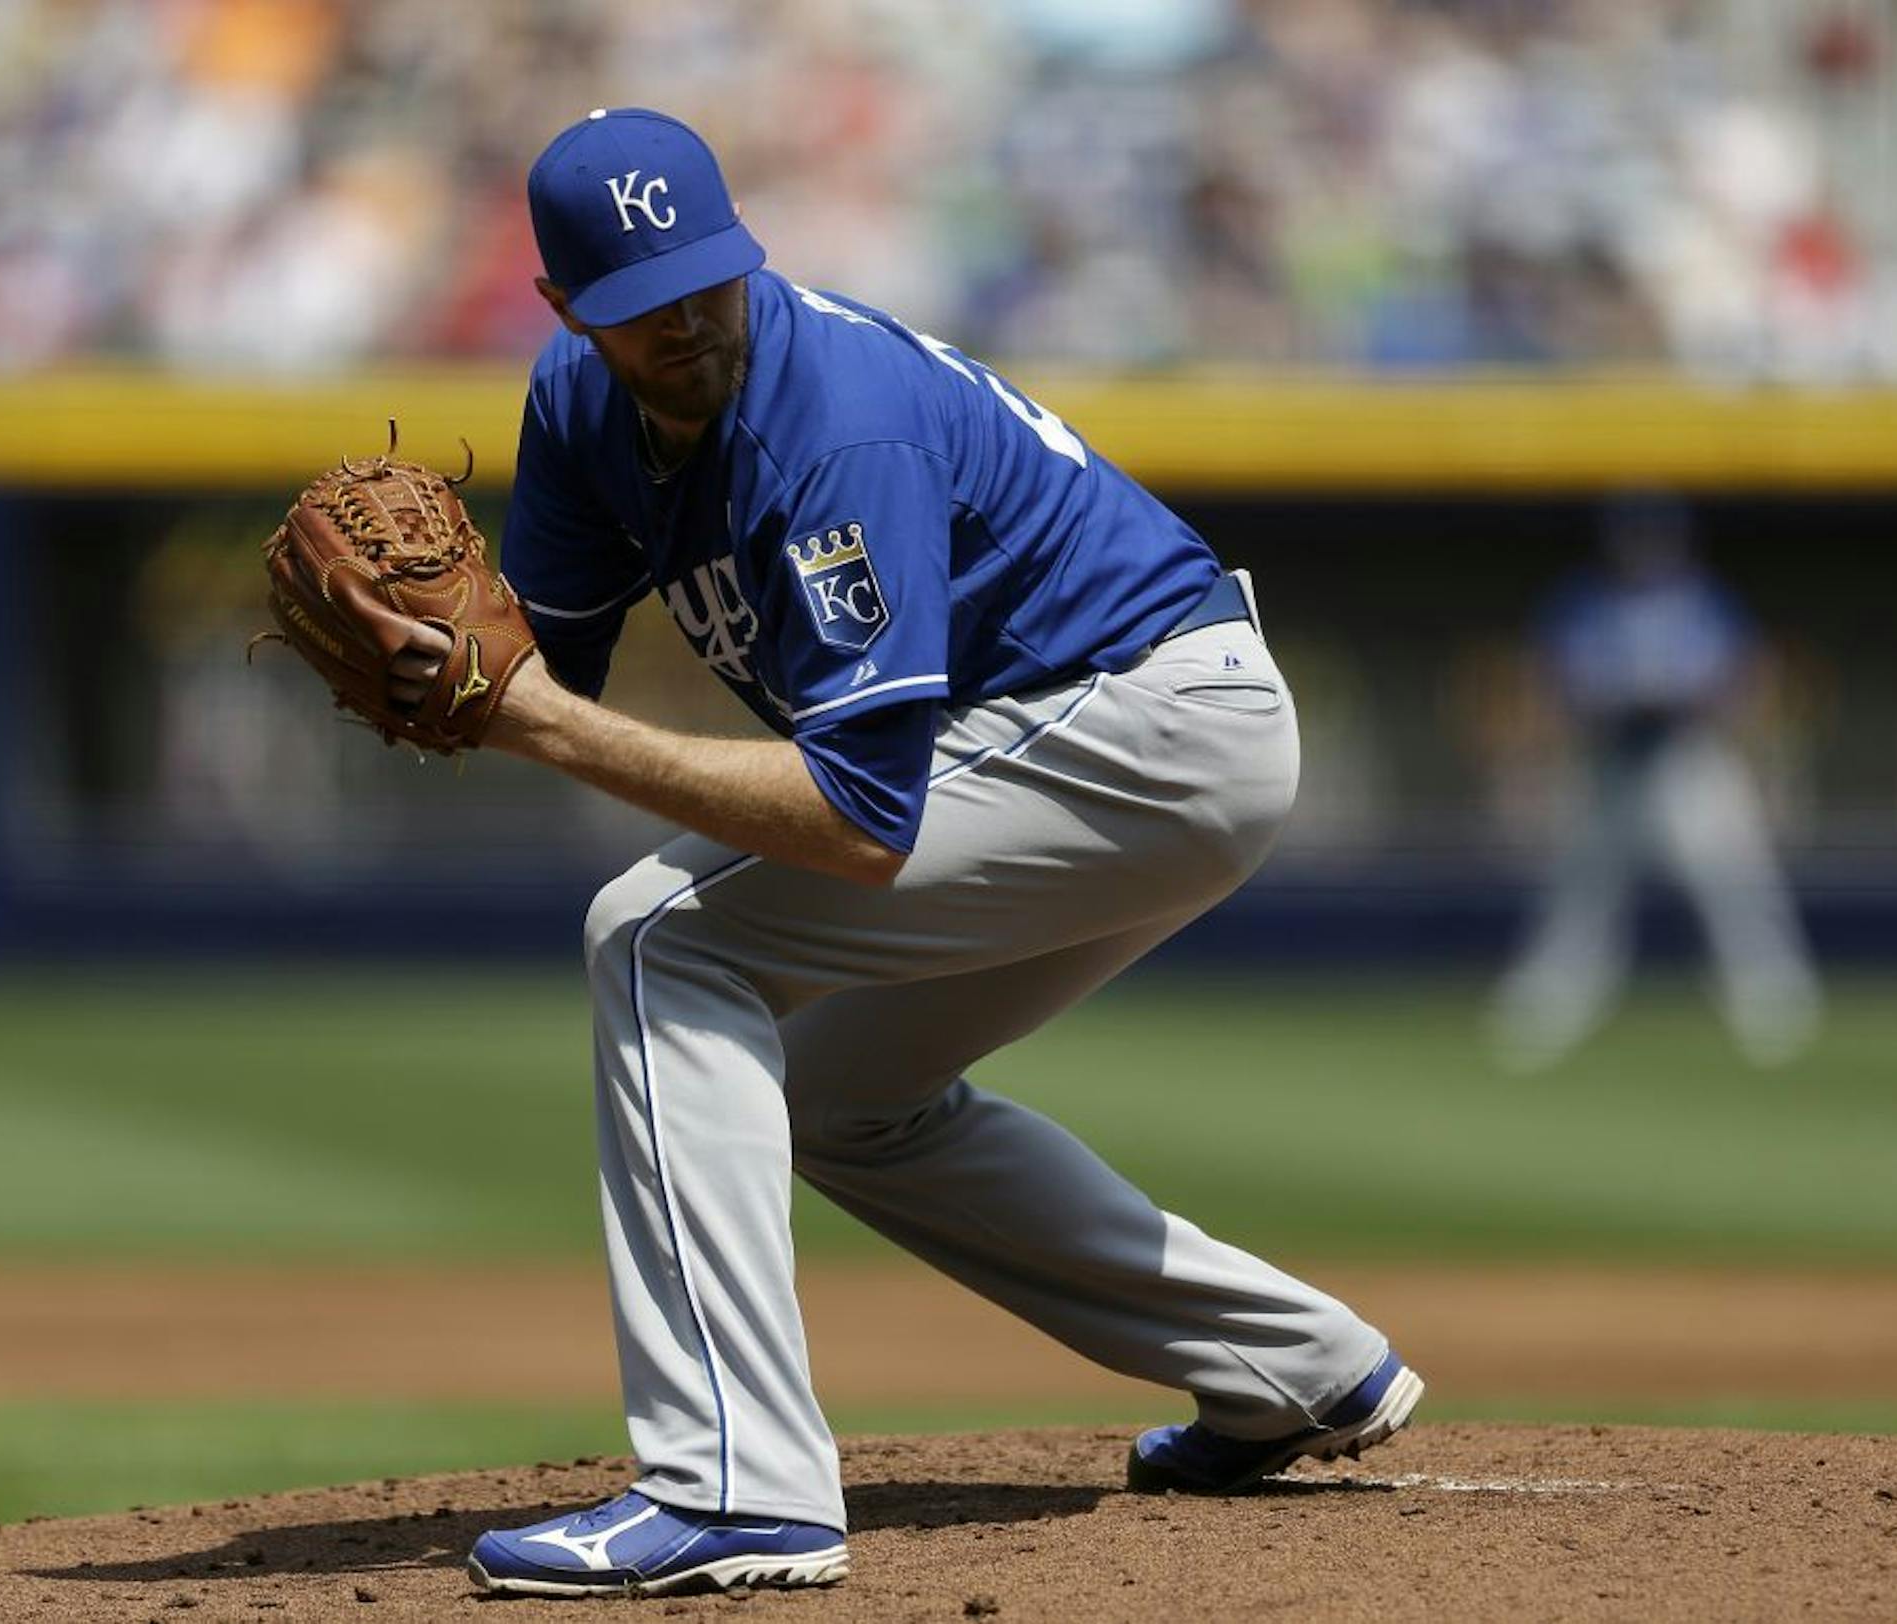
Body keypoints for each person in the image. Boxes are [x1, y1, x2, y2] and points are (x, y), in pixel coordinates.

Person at [394, 108, 1422, 1600]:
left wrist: (530, 724)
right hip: (1095, 738)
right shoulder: (577, 410)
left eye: (704, 276)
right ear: (564, 313)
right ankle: (1294, 1367)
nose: (683, 321)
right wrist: (438, 684)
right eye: (636, 303)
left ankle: (735, 1487)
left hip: (1147, 722)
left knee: (658, 936)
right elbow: (537, 676)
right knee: (840, 1096)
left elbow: (858, 818)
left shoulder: (835, 423)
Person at [1489, 496, 1822, 1070]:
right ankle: (1547, 1009)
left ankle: (1773, 1005)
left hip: (1687, 759)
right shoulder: (1587, 601)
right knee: (1582, 895)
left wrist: (1689, 698)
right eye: (1635, 535)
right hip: (1611, 760)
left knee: (1734, 885)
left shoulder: (1701, 598)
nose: (1644, 548)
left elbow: (1741, 679)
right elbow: (1555, 683)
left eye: (1655, 536)